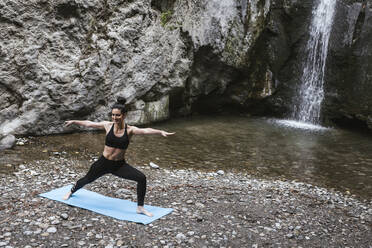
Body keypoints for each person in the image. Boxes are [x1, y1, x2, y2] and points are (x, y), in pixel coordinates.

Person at [62, 97, 175, 217]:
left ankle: (140, 207)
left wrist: (160, 132)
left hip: (119, 166)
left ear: (124, 115)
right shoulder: (108, 126)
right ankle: (71, 191)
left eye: (117, 115)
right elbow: (89, 124)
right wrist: (74, 121)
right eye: (113, 115)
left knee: (141, 178)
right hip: (103, 163)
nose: (114, 118)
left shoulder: (130, 130)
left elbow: (146, 131)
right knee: (87, 179)